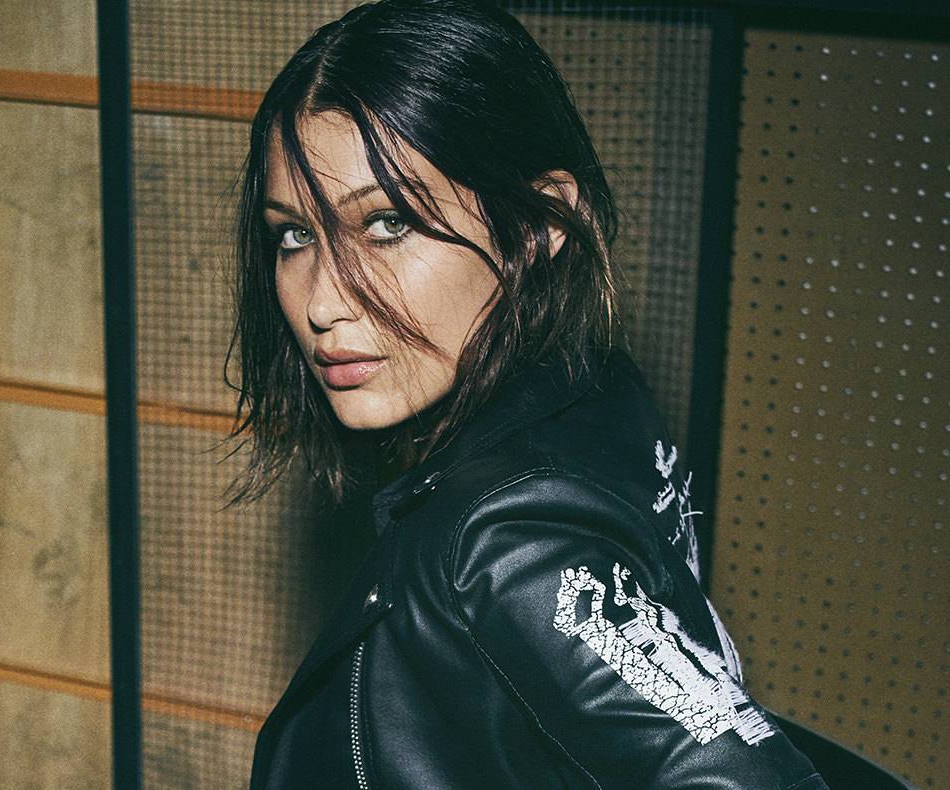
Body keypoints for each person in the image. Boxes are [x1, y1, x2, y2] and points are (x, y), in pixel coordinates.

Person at [227, 1, 828, 787]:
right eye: (294, 234)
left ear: (541, 223)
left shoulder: (508, 538)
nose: (321, 302)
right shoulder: (591, 387)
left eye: (388, 223)